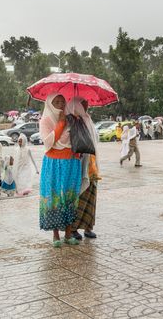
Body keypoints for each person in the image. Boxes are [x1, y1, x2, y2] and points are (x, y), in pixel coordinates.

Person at [39, 93, 82, 248]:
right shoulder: (46, 120)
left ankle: (69, 234)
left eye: (62, 101)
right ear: (50, 104)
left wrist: (75, 120)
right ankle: (56, 234)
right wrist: (61, 124)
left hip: (72, 162)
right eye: (56, 101)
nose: (60, 104)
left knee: (70, 197)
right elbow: (48, 142)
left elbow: (77, 139)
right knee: (54, 197)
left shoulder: (72, 118)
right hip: (54, 163)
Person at [67, 98, 101, 240]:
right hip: (79, 165)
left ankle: (88, 227)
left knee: (91, 196)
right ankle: (73, 228)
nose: (86, 106)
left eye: (86, 104)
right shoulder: (72, 121)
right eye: (82, 104)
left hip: (92, 164)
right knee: (78, 196)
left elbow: (95, 140)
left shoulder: (88, 120)